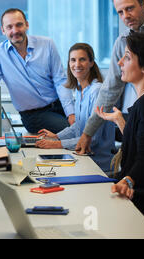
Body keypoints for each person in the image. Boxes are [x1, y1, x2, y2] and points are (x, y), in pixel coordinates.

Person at [76, 0, 144, 154]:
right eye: (120, 12)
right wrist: (88, 133)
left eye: (130, 8)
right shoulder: (122, 42)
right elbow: (110, 89)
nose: (125, 15)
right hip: (143, 115)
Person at [95, 32, 144, 218]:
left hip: (140, 205)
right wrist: (120, 120)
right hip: (140, 198)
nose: (120, 63)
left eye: (127, 57)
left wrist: (128, 181)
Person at [0, 8, 75, 134]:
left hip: (59, 105)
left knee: (93, 126)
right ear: (3, 30)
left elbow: (60, 80)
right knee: (74, 132)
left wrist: (71, 113)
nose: (15, 31)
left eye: (19, 25)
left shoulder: (47, 44)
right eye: (9, 27)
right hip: (34, 116)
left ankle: (109, 151)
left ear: (26, 25)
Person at [35, 43, 114, 172]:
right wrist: (57, 137)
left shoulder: (98, 91)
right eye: (73, 60)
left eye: (82, 59)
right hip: (81, 157)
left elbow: (92, 139)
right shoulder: (80, 90)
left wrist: (57, 144)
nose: (77, 64)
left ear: (91, 62)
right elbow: (79, 126)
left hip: (98, 165)